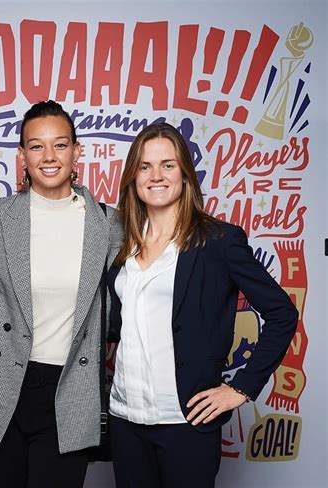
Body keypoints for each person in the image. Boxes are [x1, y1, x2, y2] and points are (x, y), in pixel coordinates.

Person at [0, 100, 121, 488]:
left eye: (61, 144)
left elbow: (138, 284)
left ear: (77, 151)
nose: (49, 157)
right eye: (37, 146)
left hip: (71, 391)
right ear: (21, 155)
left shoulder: (110, 223)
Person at [106, 122, 298, 488]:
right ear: (133, 176)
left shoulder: (219, 241)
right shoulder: (121, 243)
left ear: (185, 175)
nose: (156, 176)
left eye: (168, 165)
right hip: (125, 419)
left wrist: (241, 387)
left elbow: (281, 313)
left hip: (185, 421)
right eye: (145, 166)